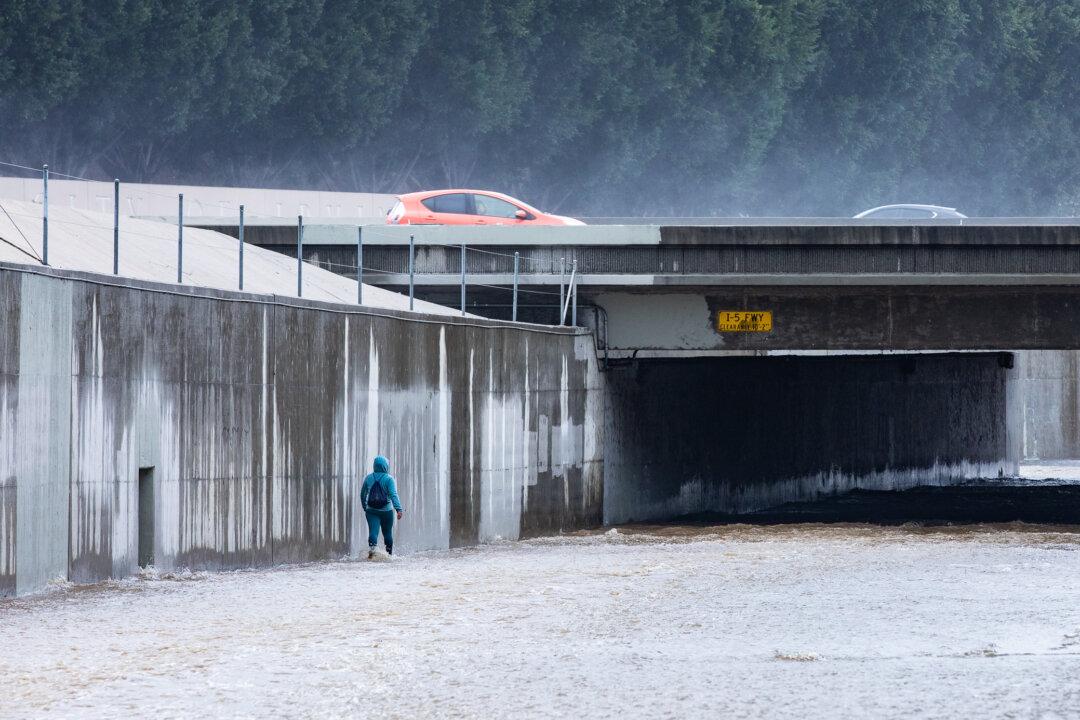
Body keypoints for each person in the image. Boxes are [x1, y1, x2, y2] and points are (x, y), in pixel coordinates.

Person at [362, 455, 403, 558]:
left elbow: (363, 494)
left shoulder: (368, 478)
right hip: (387, 512)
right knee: (387, 534)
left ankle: (372, 554)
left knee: (373, 533)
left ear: (375, 465)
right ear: (385, 466)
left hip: (371, 511)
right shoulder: (389, 479)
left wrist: (365, 507)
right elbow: (393, 495)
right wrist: (398, 509)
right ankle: (389, 556)